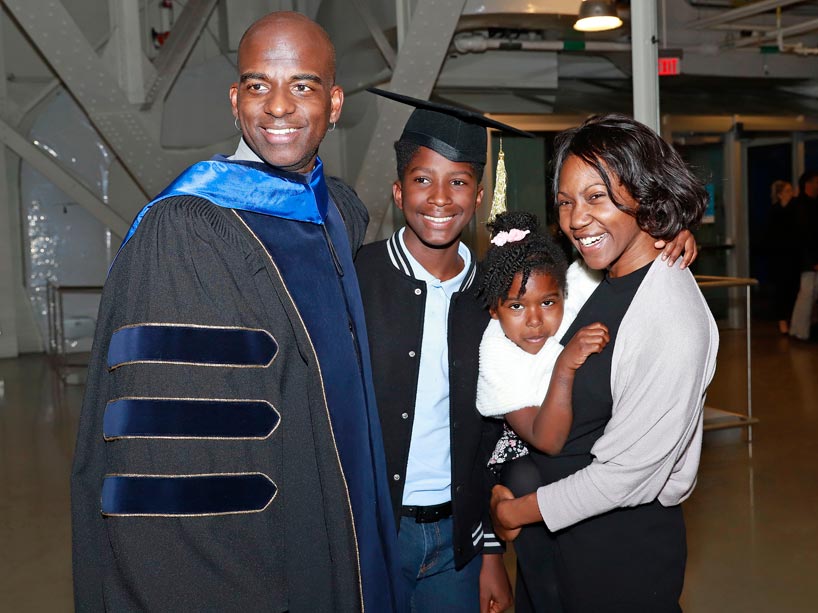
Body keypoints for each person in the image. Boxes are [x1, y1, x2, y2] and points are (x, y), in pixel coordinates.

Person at [71, 12, 402, 612]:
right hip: (254, 570)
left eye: (301, 85)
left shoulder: (337, 214)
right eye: (258, 84)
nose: (278, 106)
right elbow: (175, 456)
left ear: (334, 102)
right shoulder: (188, 232)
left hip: (341, 537)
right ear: (234, 99)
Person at [490, 114, 719, 612]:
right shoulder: (600, 278)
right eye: (567, 202)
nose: (575, 220)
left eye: (597, 197)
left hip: (615, 550)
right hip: (557, 534)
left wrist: (517, 513)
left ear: (645, 193)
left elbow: (626, 476)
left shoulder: (673, 316)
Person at [355, 89, 519, 613]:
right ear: (399, 193)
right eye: (423, 179)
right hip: (372, 533)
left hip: (459, 539)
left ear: (477, 195)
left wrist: (490, 549)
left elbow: (498, 431)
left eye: (459, 181)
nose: (441, 198)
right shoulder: (355, 278)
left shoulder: (497, 294)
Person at [475, 210, 606, 613]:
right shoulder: (496, 350)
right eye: (516, 306)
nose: (535, 321)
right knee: (547, 581)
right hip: (521, 456)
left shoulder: (573, 289)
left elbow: (620, 257)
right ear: (495, 310)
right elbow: (546, 440)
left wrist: (672, 238)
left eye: (548, 302)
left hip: (571, 456)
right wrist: (565, 365)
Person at [766, 180, 799, 334]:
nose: (791, 193)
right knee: (781, 291)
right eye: (787, 191)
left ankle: (792, 319)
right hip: (778, 259)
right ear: (779, 194)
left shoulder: (795, 209)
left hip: (793, 257)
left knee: (793, 289)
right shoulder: (774, 212)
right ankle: (782, 321)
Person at [789, 170, 818, 341]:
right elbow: (804, 236)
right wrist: (813, 260)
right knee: (806, 295)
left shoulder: (810, 205)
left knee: (808, 294)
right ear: (808, 184)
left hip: (809, 259)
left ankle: (800, 330)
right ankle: (799, 331)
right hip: (807, 260)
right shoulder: (801, 207)